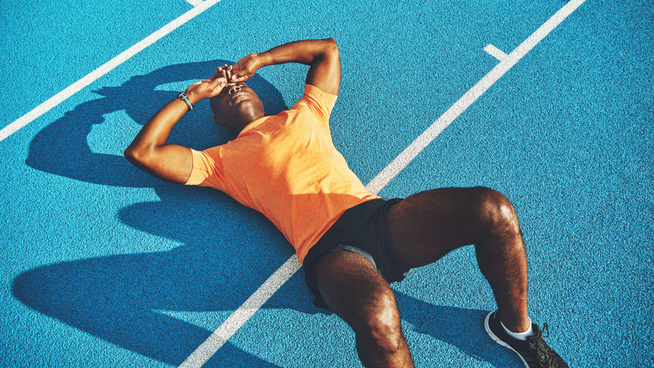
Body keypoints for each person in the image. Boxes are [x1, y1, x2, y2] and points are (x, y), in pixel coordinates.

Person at [124, 38, 567, 368]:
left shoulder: (305, 112)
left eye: (240, 84)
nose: (234, 89)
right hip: (330, 251)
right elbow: (143, 152)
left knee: (493, 210)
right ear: (216, 119)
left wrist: (261, 59)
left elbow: (327, 51)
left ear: (260, 91)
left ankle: (515, 330)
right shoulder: (218, 161)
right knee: (379, 317)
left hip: (376, 216)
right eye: (223, 96)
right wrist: (194, 94)